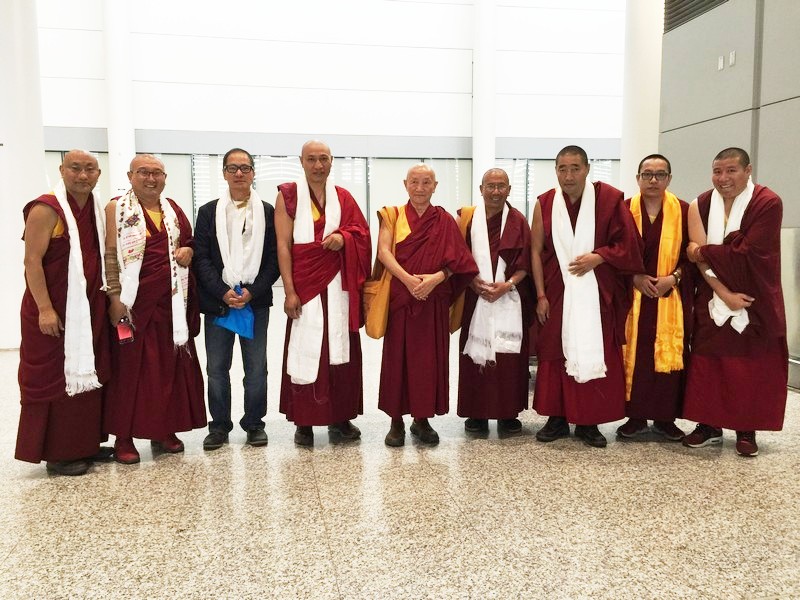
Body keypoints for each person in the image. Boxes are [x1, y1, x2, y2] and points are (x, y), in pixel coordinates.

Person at [530, 145, 643, 448]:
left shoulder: (609, 199)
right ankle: (556, 418)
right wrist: (540, 295)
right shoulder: (544, 203)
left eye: (575, 168)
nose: (568, 176)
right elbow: (536, 251)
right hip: (557, 288)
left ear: (587, 169)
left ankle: (588, 422)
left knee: (595, 347)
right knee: (554, 351)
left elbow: (628, 244)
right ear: (556, 171)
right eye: (562, 169)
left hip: (596, 290)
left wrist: (599, 256)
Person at [682, 147, 787, 457]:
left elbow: (748, 255)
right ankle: (708, 426)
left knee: (749, 367)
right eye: (717, 171)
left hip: (754, 298)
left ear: (747, 170)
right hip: (713, 295)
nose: (723, 178)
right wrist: (724, 292)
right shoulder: (700, 204)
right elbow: (702, 260)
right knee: (708, 362)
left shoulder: (767, 202)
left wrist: (703, 251)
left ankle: (746, 429)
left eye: (731, 170)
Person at [103, 154, 206, 464]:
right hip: (133, 305)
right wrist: (114, 298)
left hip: (171, 305)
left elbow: (190, 243)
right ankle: (124, 437)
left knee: (168, 369)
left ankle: (163, 430)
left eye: (157, 173)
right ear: (130, 176)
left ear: (164, 178)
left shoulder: (173, 210)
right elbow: (109, 254)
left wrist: (188, 250)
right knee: (129, 372)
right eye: (143, 172)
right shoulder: (116, 208)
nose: (151, 179)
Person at [15, 150, 112, 476]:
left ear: (98, 174)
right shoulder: (46, 208)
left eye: (89, 169)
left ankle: (85, 444)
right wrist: (44, 309)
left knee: (89, 374)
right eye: (75, 168)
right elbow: (32, 262)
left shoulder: (95, 208)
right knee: (54, 380)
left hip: (88, 309)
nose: (83, 175)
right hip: (53, 311)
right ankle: (58, 453)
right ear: (61, 170)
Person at [274, 140, 371, 447]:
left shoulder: (343, 197)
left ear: (331, 162)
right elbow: (283, 245)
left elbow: (362, 234)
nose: (318, 165)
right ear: (301, 161)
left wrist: (344, 238)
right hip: (306, 287)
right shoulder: (288, 196)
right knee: (306, 350)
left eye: (323, 159)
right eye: (312, 159)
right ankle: (304, 421)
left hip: (338, 287)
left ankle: (340, 418)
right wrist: (289, 291)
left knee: (339, 351)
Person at [377, 164, 478, 447]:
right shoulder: (392, 215)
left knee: (428, 361)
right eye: (414, 182)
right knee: (398, 360)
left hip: (433, 300)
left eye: (426, 182)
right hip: (402, 296)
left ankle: (422, 420)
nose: (420, 188)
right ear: (405, 184)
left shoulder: (444, 220)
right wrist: (409, 280)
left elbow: (460, 261)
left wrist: (436, 278)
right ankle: (396, 421)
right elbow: (383, 252)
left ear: (435, 186)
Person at [194, 148, 279, 450]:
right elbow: (201, 258)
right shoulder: (208, 212)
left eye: (245, 168)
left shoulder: (268, 212)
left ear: (254, 172)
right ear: (224, 174)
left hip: (255, 302)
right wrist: (222, 291)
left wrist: (253, 291)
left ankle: (254, 424)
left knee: (256, 368)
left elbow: (275, 259)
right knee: (217, 368)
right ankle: (219, 426)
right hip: (218, 303)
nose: (239, 173)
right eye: (232, 168)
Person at [617, 155, 692, 442]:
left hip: (669, 295)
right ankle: (635, 417)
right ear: (637, 178)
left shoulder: (684, 211)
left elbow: (693, 254)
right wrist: (634, 277)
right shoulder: (624, 210)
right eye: (647, 174)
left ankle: (665, 419)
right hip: (633, 296)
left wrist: (674, 278)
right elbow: (613, 252)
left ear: (669, 179)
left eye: (660, 175)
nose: (653, 180)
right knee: (636, 354)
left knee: (666, 356)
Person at [454, 168, 533, 434]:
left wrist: (508, 285)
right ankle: (476, 412)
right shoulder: (467, 219)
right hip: (475, 296)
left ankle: (508, 413)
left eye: (501, 186)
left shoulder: (518, 221)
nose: (496, 192)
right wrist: (472, 282)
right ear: (481, 189)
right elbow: (457, 256)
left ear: (509, 190)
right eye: (491, 186)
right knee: (473, 357)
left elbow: (526, 263)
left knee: (508, 358)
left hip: (509, 295)